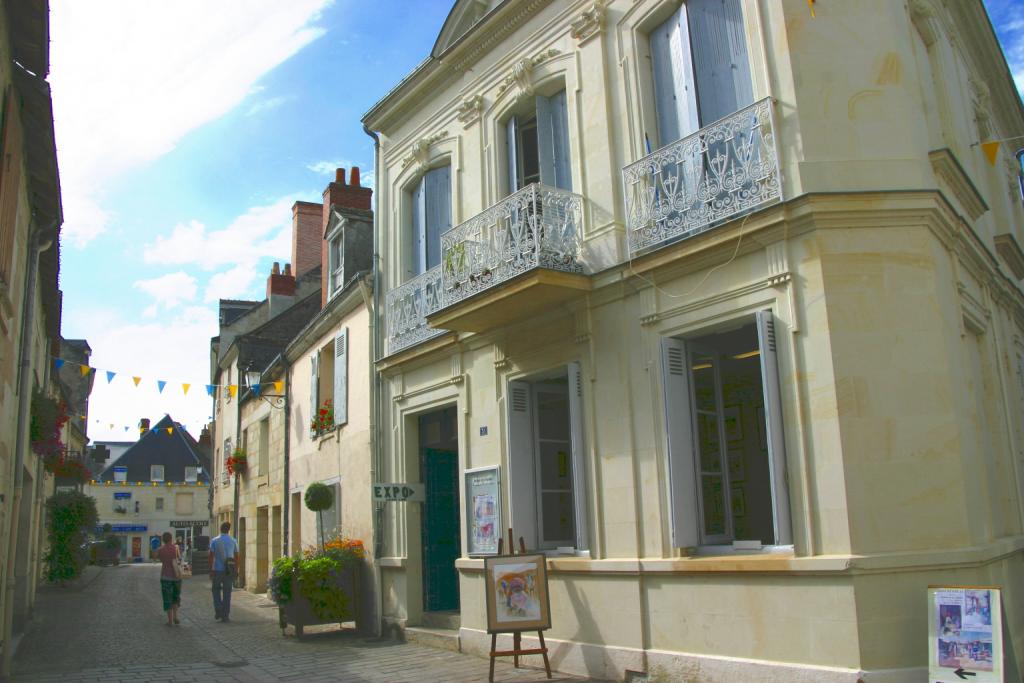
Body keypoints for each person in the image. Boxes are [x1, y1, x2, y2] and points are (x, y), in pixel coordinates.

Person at [209, 521, 239, 622]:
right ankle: (225, 615)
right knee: (227, 593)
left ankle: (218, 609)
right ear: (228, 530)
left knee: (215, 590)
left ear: (220, 529)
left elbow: (211, 556)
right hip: (229, 570)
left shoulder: (214, 540)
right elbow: (237, 556)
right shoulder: (233, 540)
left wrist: (211, 569)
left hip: (217, 569)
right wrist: (236, 569)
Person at [156, 531, 182, 626]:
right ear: (171, 539)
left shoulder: (160, 549)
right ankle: (176, 616)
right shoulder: (176, 548)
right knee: (175, 597)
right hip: (176, 576)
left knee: (167, 598)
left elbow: (156, 558)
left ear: (163, 540)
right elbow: (179, 559)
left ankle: (170, 620)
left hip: (165, 576)